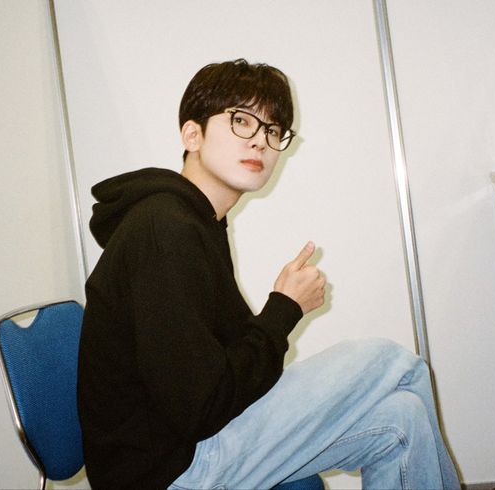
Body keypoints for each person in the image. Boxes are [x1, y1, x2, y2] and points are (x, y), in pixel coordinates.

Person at [77, 58, 459, 489]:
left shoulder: (199, 222)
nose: (260, 141)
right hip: (166, 469)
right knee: (395, 362)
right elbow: (201, 405)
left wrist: (280, 310)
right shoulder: (165, 229)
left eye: (273, 130)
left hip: (190, 442)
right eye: (242, 121)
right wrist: (284, 308)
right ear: (192, 134)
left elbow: (230, 360)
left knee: (401, 418)